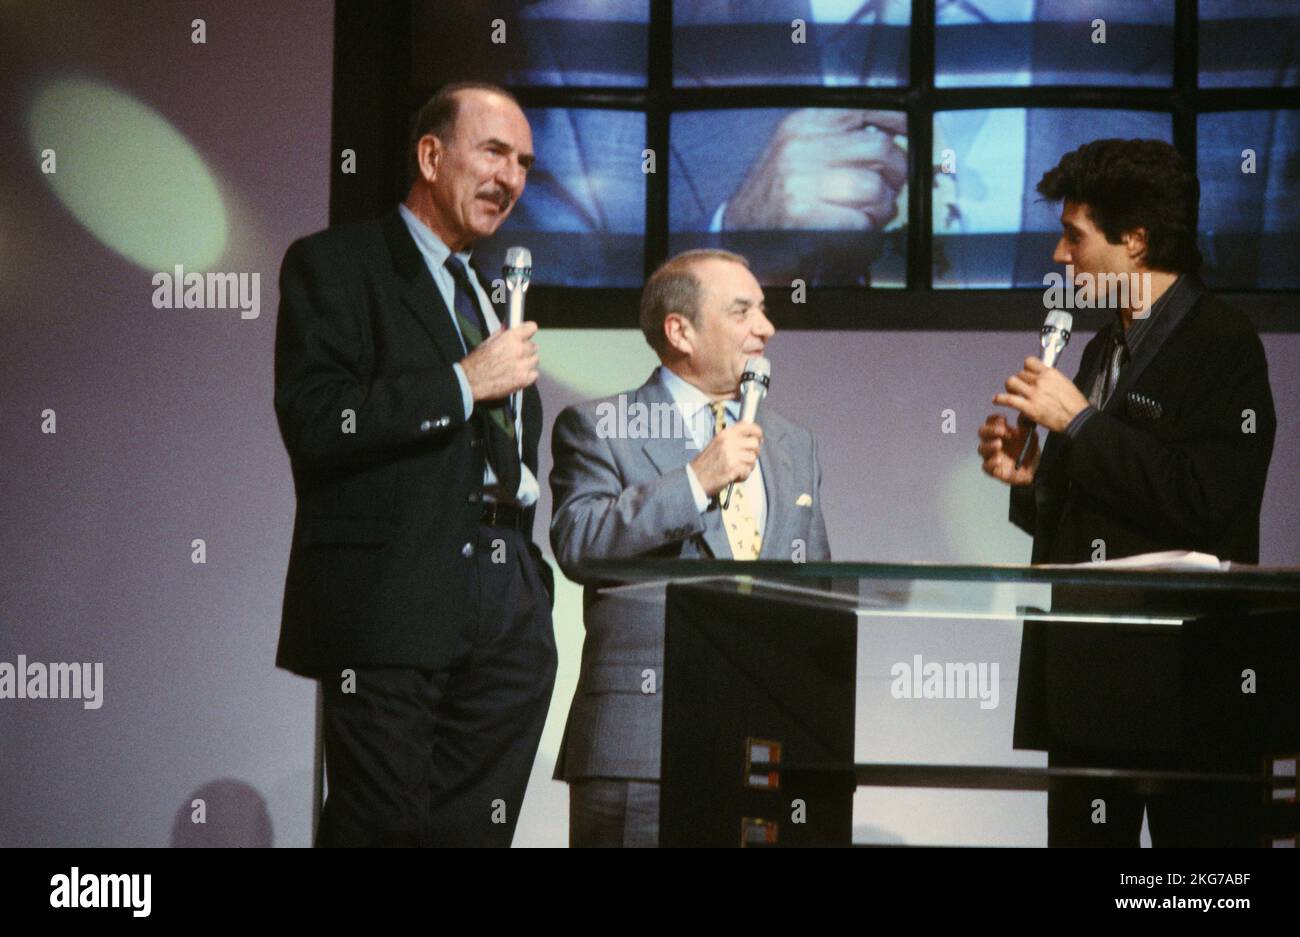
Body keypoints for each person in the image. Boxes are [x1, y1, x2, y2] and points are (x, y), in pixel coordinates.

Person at [273, 82, 557, 847]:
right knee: (382, 827)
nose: (511, 178)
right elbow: (317, 419)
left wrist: (531, 578)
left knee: (472, 832)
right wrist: (465, 381)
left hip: (506, 606)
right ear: (430, 155)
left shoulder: (489, 292)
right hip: (392, 594)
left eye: (525, 163)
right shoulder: (337, 264)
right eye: (494, 151)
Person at [977, 138, 1276, 846]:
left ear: (1135, 242)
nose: (1060, 255)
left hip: (1185, 692)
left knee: (1201, 893)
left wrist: (1076, 422)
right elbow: (1103, 505)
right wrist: (1032, 480)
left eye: (1073, 236)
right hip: (1088, 689)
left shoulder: (1224, 344)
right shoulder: (1102, 346)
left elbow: (1208, 502)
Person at [549, 249, 831, 847]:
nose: (766, 328)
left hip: (767, 743)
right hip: (642, 747)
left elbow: (819, 590)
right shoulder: (603, 425)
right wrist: (695, 481)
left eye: (765, 309)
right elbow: (579, 541)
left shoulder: (791, 444)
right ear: (680, 330)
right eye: (742, 311)